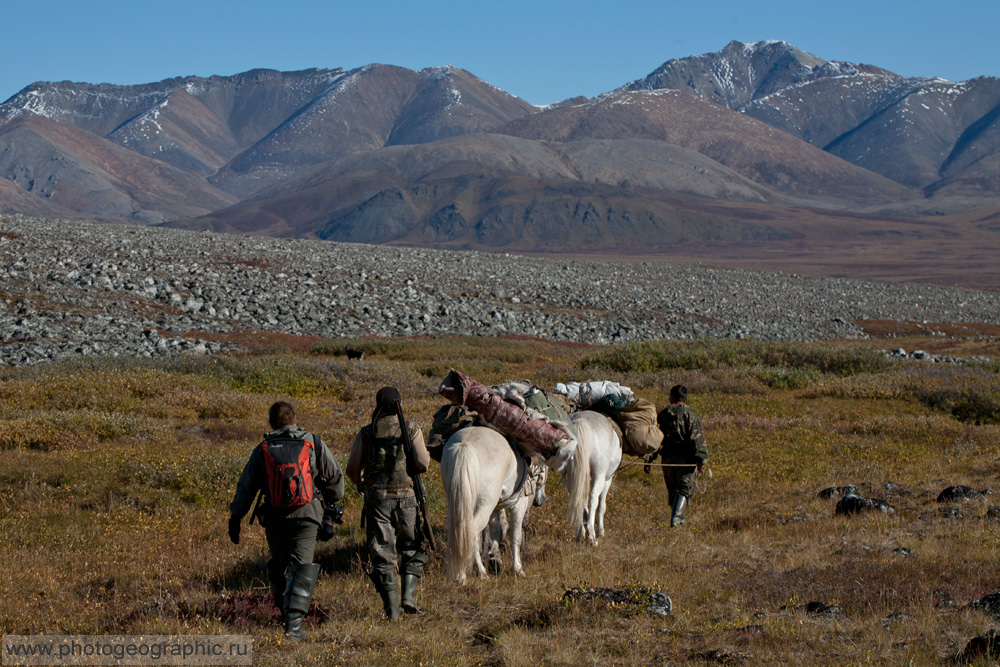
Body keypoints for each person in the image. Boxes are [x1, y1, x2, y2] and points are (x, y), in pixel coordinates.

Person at [228, 401, 345, 639]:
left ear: (271, 423)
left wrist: (236, 518)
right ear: (294, 419)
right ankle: (293, 627)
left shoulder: (262, 448)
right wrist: (330, 502)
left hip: (274, 517)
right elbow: (335, 477)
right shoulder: (312, 442)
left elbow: (245, 488)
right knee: (301, 567)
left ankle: (284, 613)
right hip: (307, 514)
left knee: (279, 564)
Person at [346, 386, 431, 620]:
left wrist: (362, 483)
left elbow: (352, 469)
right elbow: (423, 464)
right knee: (412, 546)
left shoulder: (367, 432)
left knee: (382, 553)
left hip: (377, 501)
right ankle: (409, 598)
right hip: (407, 500)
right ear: (399, 404)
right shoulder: (411, 429)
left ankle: (392, 612)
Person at [647, 385, 708, 527]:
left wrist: (649, 460)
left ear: (672, 397)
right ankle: (676, 520)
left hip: (667, 461)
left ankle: (679, 521)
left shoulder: (662, 415)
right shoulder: (690, 416)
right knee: (684, 490)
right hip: (685, 462)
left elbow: (655, 439)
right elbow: (697, 440)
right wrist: (701, 460)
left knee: (674, 492)